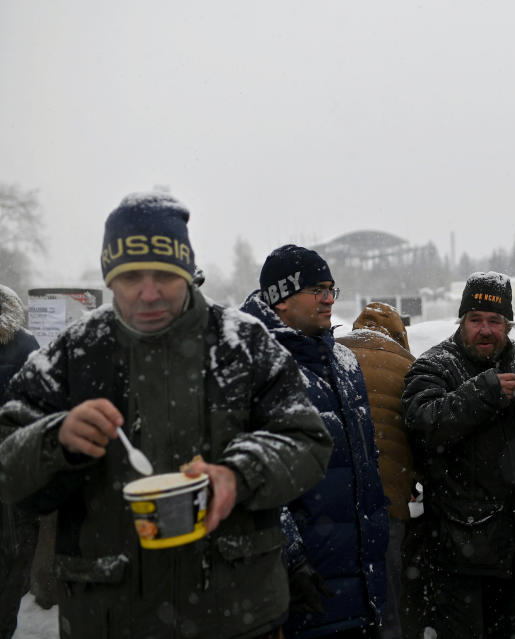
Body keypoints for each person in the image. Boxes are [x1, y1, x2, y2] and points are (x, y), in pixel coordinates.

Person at [0, 192, 333, 639]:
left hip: (237, 614)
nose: (149, 292)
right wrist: (55, 440)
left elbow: (307, 441)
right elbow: (8, 461)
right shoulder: (74, 354)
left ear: (189, 273)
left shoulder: (244, 344)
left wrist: (240, 474)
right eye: (132, 276)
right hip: (110, 617)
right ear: (109, 278)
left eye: (166, 276)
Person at [401, 271, 515, 638]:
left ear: (508, 325)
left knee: (507, 629)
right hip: (460, 547)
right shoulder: (436, 363)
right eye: (476, 320)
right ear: (462, 321)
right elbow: (424, 424)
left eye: (495, 321)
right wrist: (483, 392)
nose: (486, 330)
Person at [241, 245, 389, 638]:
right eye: (317, 289)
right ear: (281, 299)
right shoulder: (255, 366)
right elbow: (252, 475)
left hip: (365, 586)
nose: (328, 299)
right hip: (304, 591)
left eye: (331, 289)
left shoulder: (344, 362)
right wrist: (288, 558)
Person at [335, 302, 416, 639]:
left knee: (345, 594)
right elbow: (420, 434)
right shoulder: (408, 365)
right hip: (390, 502)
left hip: (340, 502)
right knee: (389, 595)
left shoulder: (336, 356)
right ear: (399, 334)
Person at [0, 284, 40, 639]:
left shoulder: (26, 346)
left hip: (15, 452)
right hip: (17, 455)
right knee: (16, 556)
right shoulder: (26, 344)